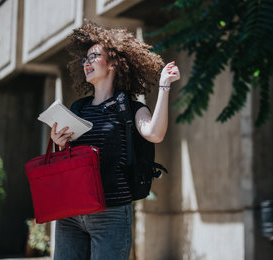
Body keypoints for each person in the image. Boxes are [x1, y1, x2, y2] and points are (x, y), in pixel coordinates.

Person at [49, 23, 180, 260]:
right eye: (84, 59)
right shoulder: (79, 108)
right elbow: (73, 159)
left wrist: (164, 86)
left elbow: (154, 134)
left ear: (113, 63)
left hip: (110, 212)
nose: (86, 63)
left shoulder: (131, 109)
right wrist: (60, 143)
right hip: (71, 211)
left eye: (94, 56)